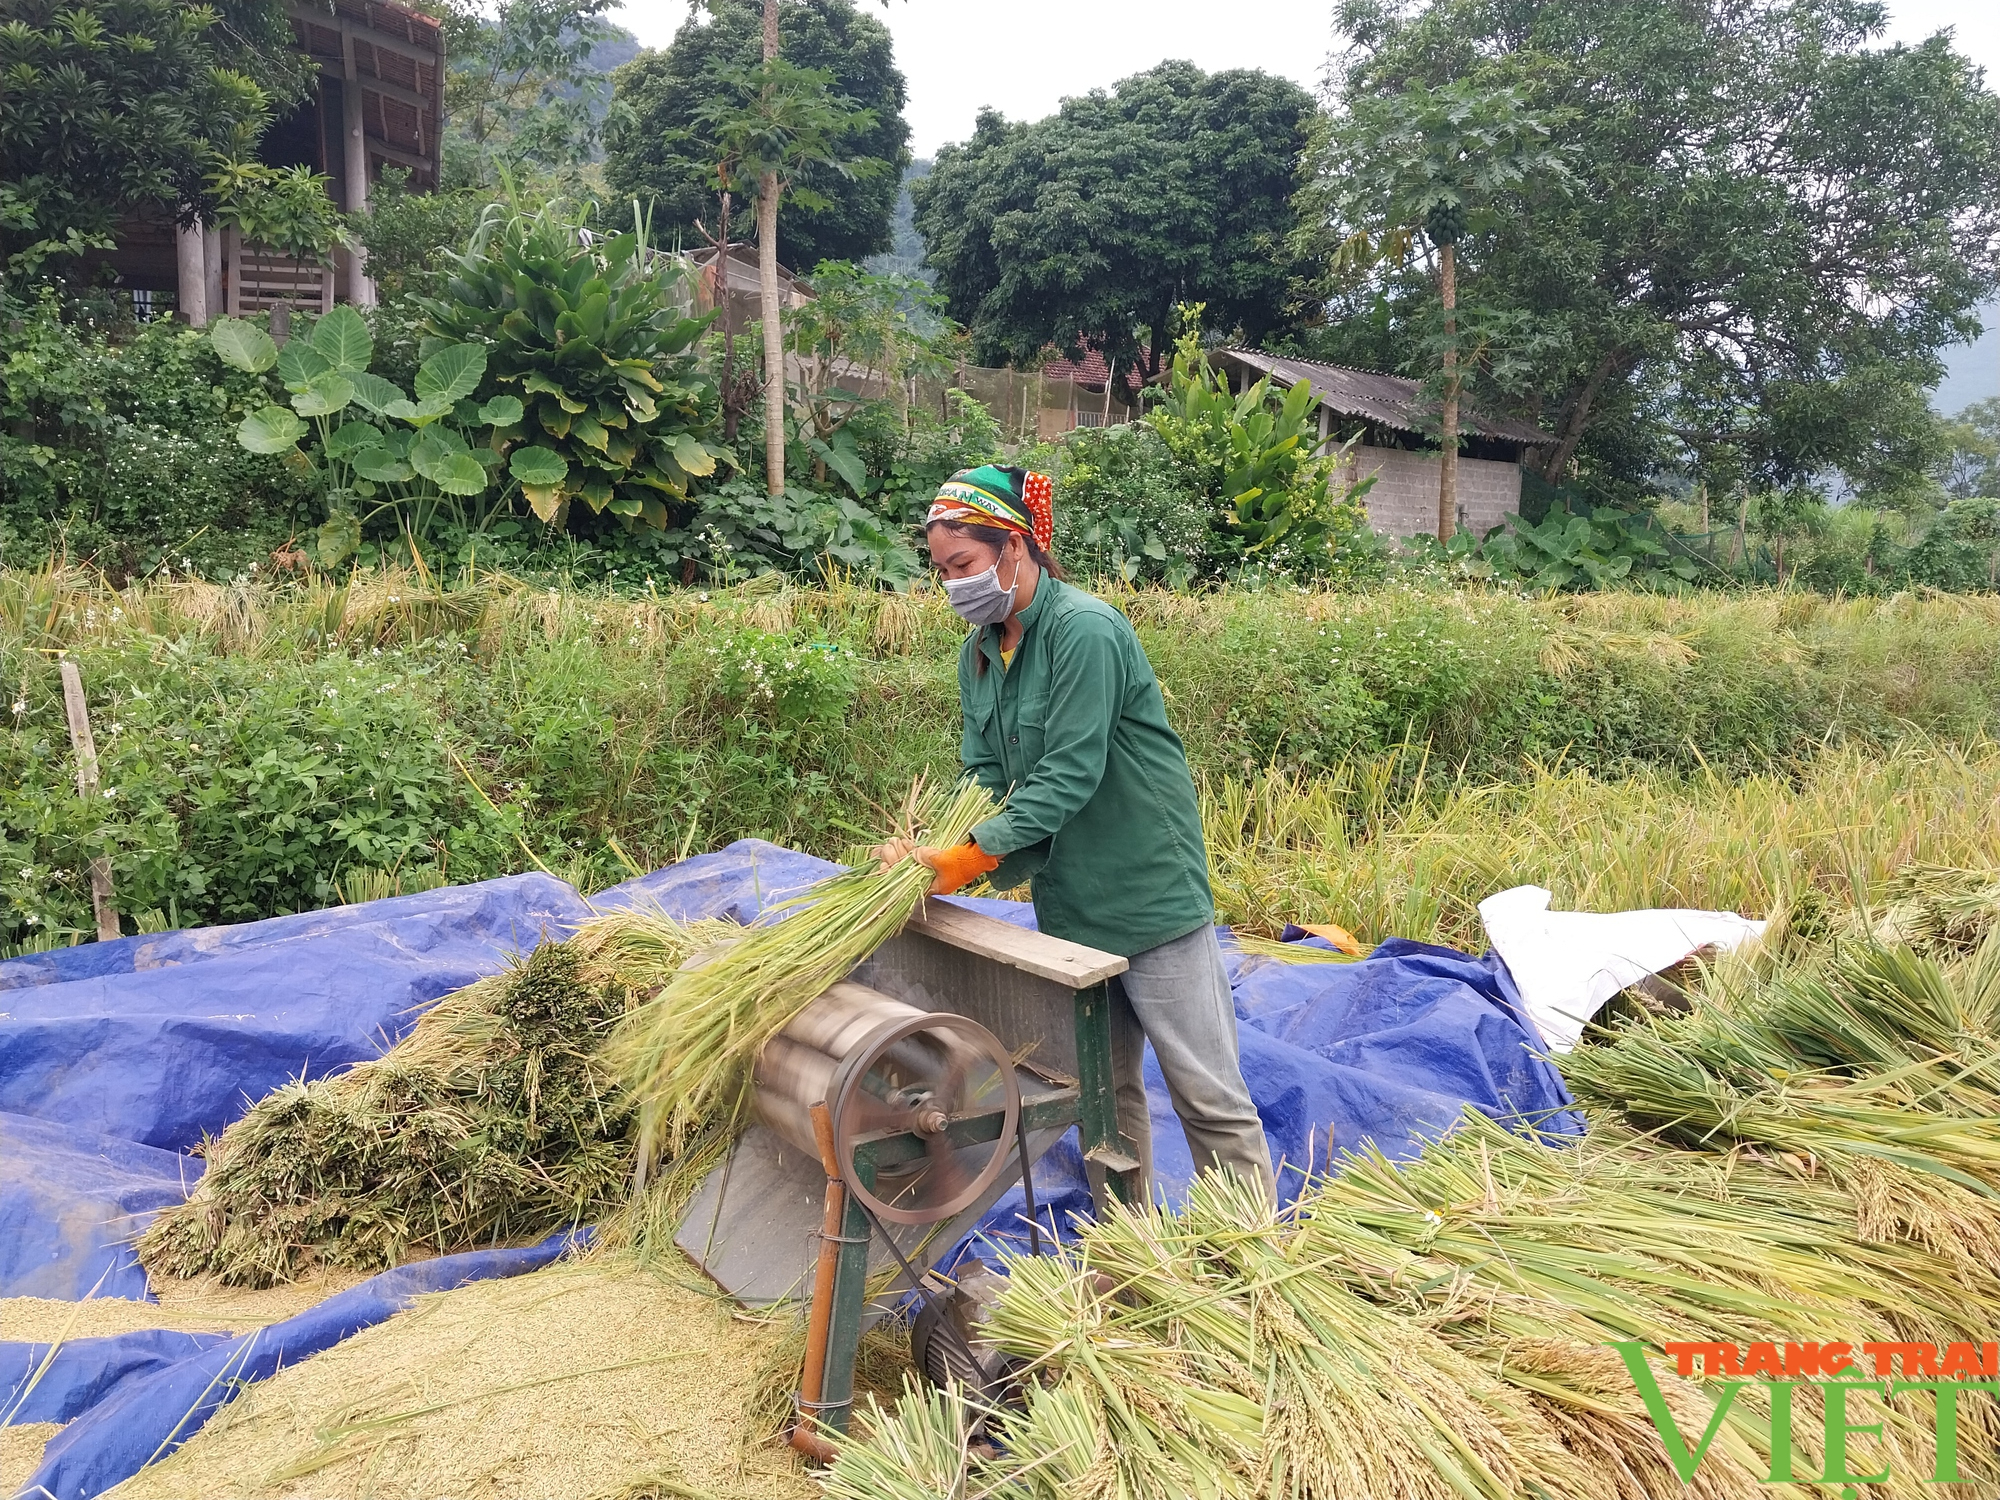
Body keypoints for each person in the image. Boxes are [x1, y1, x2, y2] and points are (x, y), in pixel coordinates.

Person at [872, 463, 1274, 1203]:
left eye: (962, 565)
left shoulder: (1085, 629)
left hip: (1147, 891)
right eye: (940, 571)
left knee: (1206, 1095)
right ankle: (1130, 1252)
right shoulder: (981, 653)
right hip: (1071, 904)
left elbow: (1068, 775)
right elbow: (986, 777)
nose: (951, 584)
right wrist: (937, 851)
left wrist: (971, 854)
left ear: (1014, 547)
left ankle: (1250, 1260)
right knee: (1106, 1098)